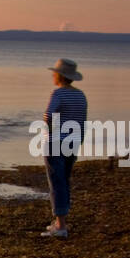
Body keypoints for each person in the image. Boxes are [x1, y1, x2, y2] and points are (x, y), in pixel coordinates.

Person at [41, 58, 87, 238]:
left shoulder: (58, 94)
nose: (53, 75)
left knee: (56, 182)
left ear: (59, 76)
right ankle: (61, 222)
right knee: (64, 181)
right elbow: (82, 120)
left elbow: (47, 116)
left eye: (54, 73)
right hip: (73, 142)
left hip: (55, 142)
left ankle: (60, 226)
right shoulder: (81, 95)